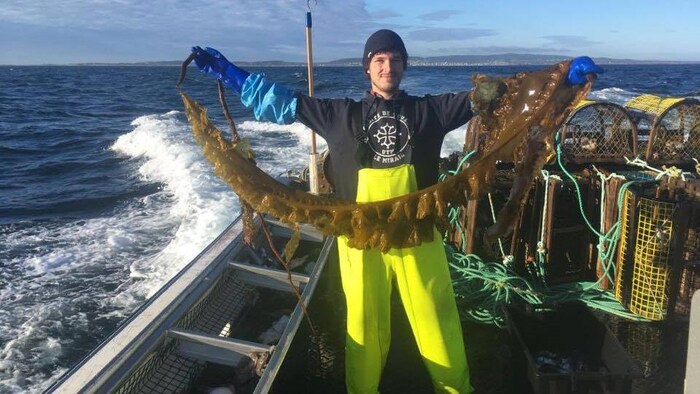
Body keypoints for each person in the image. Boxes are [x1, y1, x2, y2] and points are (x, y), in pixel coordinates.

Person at [191, 29, 602, 394]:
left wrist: (559, 76)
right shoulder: (338, 115)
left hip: (417, 233)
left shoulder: (431, 112)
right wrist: (232, 74)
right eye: (380, 60)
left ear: (404, 67)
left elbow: (498, 95)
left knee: (436, 317)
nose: (388, 67)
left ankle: (455, 387)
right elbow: (281, 103)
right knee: (364, 325)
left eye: (395, 60)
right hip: (360, 238)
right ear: (368, 69)